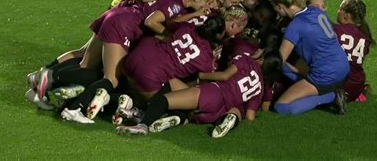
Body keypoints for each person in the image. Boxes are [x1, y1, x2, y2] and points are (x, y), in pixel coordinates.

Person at [31, 0, 215, 123]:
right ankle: (59, 88)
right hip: (124, 26)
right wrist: (167, 35)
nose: (208, 5)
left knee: (87, 63)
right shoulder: (176, 3)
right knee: (111, 78)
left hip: (119, 15)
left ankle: (40, 84)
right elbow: (151, 21)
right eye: (207, 0)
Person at [116, 38, 281, 138]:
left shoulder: (247, 60)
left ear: (262, 58)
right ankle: (175, 119)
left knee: (165, 99)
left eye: (261, 51)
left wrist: (200, 76)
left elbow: (224, 75)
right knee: (174, 85)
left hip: (214, 93)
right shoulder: (260, 88)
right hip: (219, 112)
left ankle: (142, 124)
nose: (257, 50)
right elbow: (251, 116)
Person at [271, 0, 350, 115]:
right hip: (343, 67)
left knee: (281, 106)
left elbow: (278, 61)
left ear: (280, 6)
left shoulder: (295, 25)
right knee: (290, 66)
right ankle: (329, 91)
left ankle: (330, 97)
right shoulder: (317, 11)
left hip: (326, 76)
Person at [123, 16, 225, 100]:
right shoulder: (206, 59)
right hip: (149, 77)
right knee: (184, 98)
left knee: (155, 38)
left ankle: (121, 93)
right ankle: (134, 106)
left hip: (133, 59)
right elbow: (203, 81)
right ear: (218, 35)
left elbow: (171, 22)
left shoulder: (187, 27)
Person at [334, 0, 375, 102]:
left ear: (346, 15)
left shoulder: (336, 30)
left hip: (337, 84)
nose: (337, 11)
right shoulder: (366, 37)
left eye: (340, 9)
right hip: (356, 87)